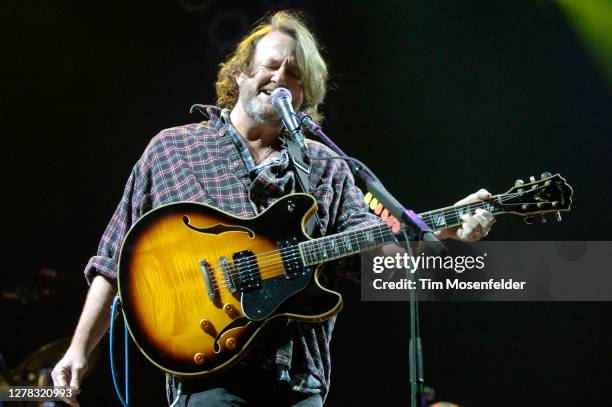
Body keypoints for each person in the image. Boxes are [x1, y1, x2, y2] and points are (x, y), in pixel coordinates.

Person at [51, 10, 495, 406]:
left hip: (300, 379)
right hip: (208, 371)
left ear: (305, 95)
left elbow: (375, 263)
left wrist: (441, 232)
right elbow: (112, 261)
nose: (281, 77)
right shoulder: (173, 149)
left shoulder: (326, 166)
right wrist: (78, 350)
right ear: (242, 73)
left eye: (296, 74)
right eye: (271, 65)